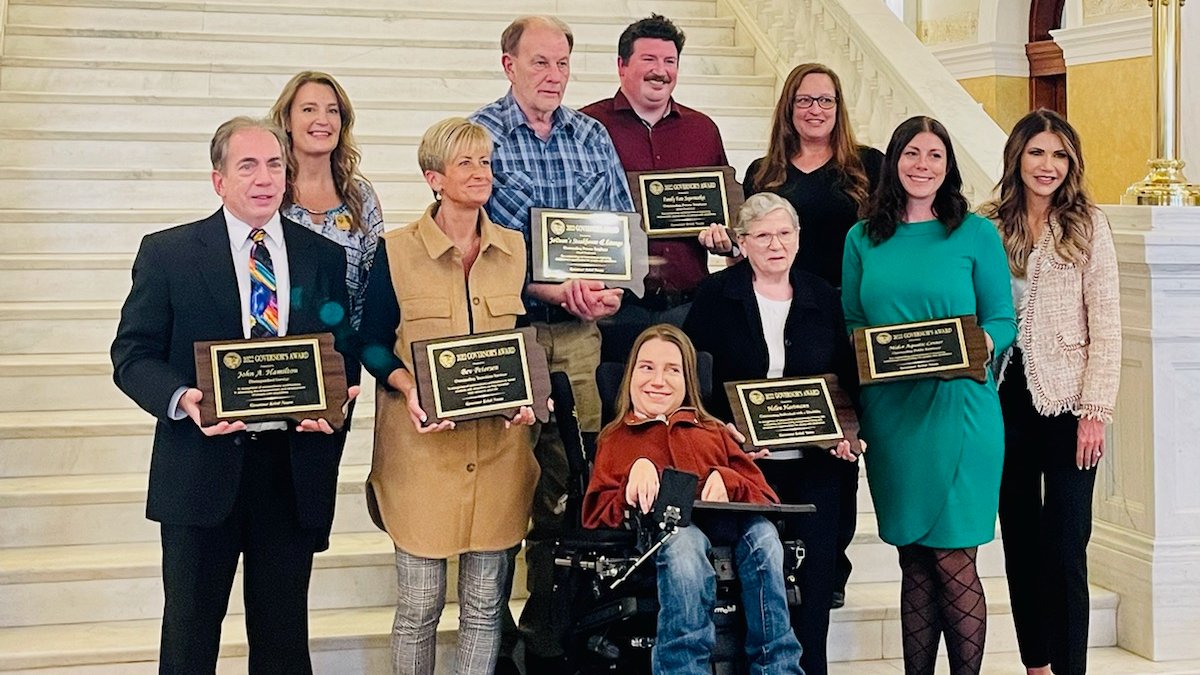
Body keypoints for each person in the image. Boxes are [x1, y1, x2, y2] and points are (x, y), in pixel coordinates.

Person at [110, 116, 360, 674]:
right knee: (189, 639)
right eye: (247, 166)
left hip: (290, 473)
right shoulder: (169, 253)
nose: (264, 178)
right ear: (218, 180)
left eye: (274, 165)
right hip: (200, 470)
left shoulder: (321, 255)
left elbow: (339, 348)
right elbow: (132, 355)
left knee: (282, 643)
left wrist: (335, 403)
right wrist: (183, 399)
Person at [469, 15, 634, 670]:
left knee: (571, 477)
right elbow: (472, 245)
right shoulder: (479, 138)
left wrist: (612, 290)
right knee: (504, 477)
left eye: (562, 63)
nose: (554, 75)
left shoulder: (592, 135)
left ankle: (546, 630)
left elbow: (621, 229)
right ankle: (492, 632)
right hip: (509, 332)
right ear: (508, 64)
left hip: (580, 338)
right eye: (540, 62)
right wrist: (547, 288)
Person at [357, 117, 539, 675]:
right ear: (434, 177)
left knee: (485, 606)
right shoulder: (394, 251)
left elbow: (521, 344)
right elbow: (371, 342)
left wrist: (530, 395)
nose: (481, 173)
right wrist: (407, 385)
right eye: (465, 163)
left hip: (501, 451)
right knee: (420, 606)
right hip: (421, 455)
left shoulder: (515, 248)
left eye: (485, 162)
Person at [841, 116, 1016, 675]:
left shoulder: (975, 233)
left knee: (953, 560)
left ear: (948, 165)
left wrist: (970, 346)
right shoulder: (861, 238)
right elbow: (853, 320)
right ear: (893, 161)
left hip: (959, 410)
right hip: (892, 415)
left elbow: (1003, 318)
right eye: (911, 153)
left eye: (935, 155)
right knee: (913, 561)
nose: (922, 165)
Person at [683, 192, 862, 675]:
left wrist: (846, 433)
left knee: (815, 592)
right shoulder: (715, 295)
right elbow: (693, 385)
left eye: (784, 233)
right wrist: (724, 434)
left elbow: (845, 379)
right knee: (753, 593)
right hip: (743, 469)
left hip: (816, 467)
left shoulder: (822, 295)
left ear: (799, 238)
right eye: (761, 235)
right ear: (741, 243)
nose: (775, 244)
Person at [981, 109, 1121, 675]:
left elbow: (1106, 323)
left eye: (1060, 154)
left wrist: (1095, 412)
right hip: (1002, 398)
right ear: (1017, 156)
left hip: (1068, 403)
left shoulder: (1088, 224)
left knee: (1066, 545)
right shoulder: (988, 224)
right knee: (1019, 538)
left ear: (1072, 162)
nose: (1048, 165)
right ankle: (1035, 664)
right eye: (1037, 152)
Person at [582, 324, 804, 675]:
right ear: (630, 375)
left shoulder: (712, 430)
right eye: (647, 367)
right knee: (684, 542)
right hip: (664, 540)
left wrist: (727, 478)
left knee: (765, 536)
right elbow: (596, 513)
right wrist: (630, 482)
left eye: (673, 370)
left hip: (731, 529)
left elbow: (765, 495)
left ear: (688, 381)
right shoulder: (616, 438)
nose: (658, 380)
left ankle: (778, 667)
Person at [743, 63, 884, 608]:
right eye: (805, 100)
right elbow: (752, 242)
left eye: (826, 100)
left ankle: (831, 562)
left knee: (837, 443)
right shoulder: (763, 173)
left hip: (842, 319)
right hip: (778, 312)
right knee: (783, 433)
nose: (815, 110)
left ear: (839, 107)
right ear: (789, 107)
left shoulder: (867, 167)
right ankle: (777, 556)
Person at [580, 13, 738, 341]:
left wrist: (726, 240)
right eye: (649, 59)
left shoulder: (703, 130)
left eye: (670, 61)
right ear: (622, 65)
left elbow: (724, 210)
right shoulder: (587, 127)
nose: (660, 70)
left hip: (688, 305)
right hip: (614, 309)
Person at [269, 70, 384, 329]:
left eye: (332, 111)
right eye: (309, 109)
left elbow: (372, 285)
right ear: (287, 121)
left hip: (345, 345)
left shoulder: (361, 196)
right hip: (280, 345)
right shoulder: (268, 192)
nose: (323, 120)